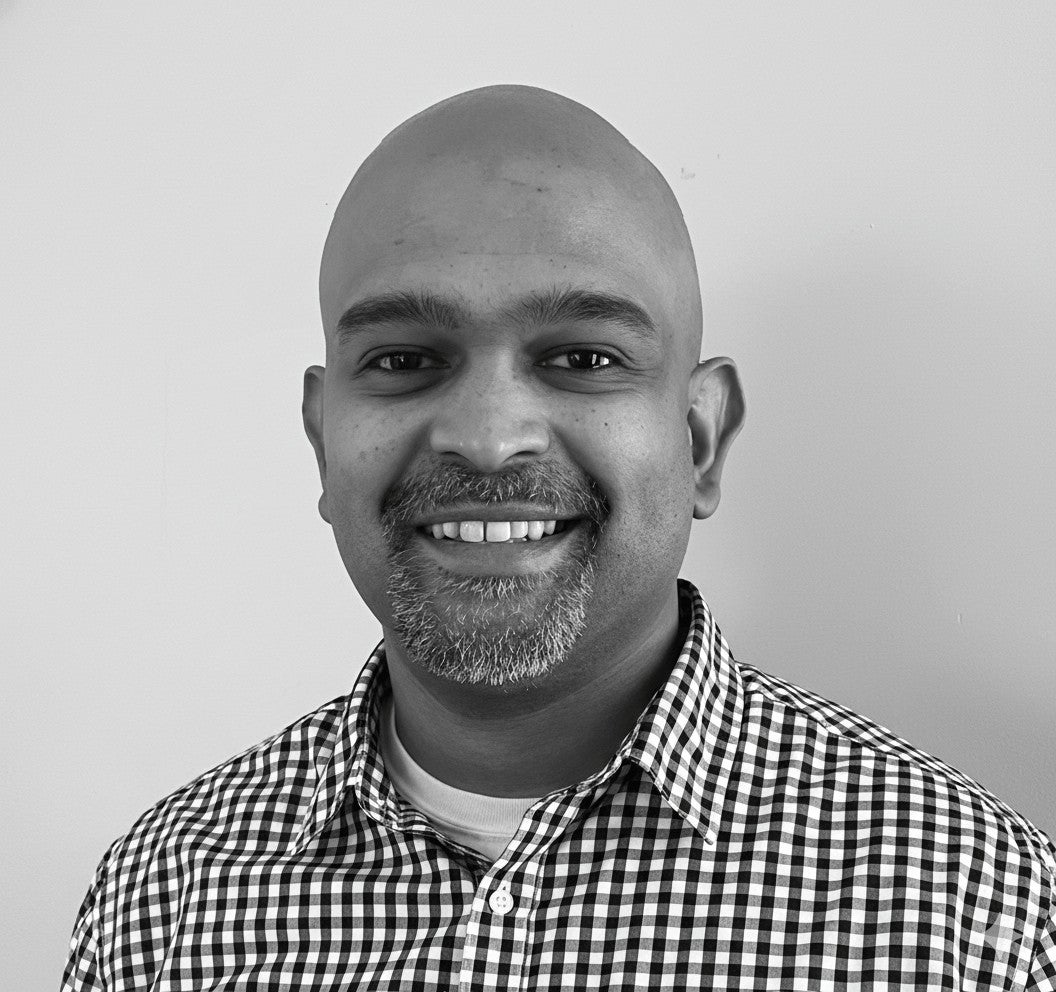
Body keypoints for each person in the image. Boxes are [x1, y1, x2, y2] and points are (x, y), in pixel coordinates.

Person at [63, 85, 1055, 991]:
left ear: (700, 439)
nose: (490, 437)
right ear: (325, 441)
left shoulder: (980, 914)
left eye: (584, 356)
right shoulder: (162, 898)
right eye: (405, 358)